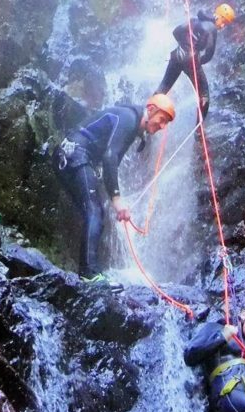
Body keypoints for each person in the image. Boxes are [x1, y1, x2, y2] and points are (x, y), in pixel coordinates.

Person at [54, 94, 176, 280]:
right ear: (150, 110)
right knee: (95, 212)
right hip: (75, 154)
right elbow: (109, 157)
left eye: (166, 123)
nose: (162, 126)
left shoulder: (132, 125)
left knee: (93, 213)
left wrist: (117, 202)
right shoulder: (129, 118)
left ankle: (87, 271)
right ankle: (89, 274)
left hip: (70, 155)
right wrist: (117, 200)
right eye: (162, 120)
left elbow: (113, 162)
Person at [155, 3, 235, 121]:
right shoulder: (212, 28)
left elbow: (176, 32)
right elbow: (209, 54)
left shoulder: (193, 20)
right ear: (218, 16)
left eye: (226, 24)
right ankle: (199, 131)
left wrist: (183, 46)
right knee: (204, 96)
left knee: (163, 87)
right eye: (224, 21)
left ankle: (146, 116)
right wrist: (198, 61)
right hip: (192, 61)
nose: (223, 26)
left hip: (176, 56)